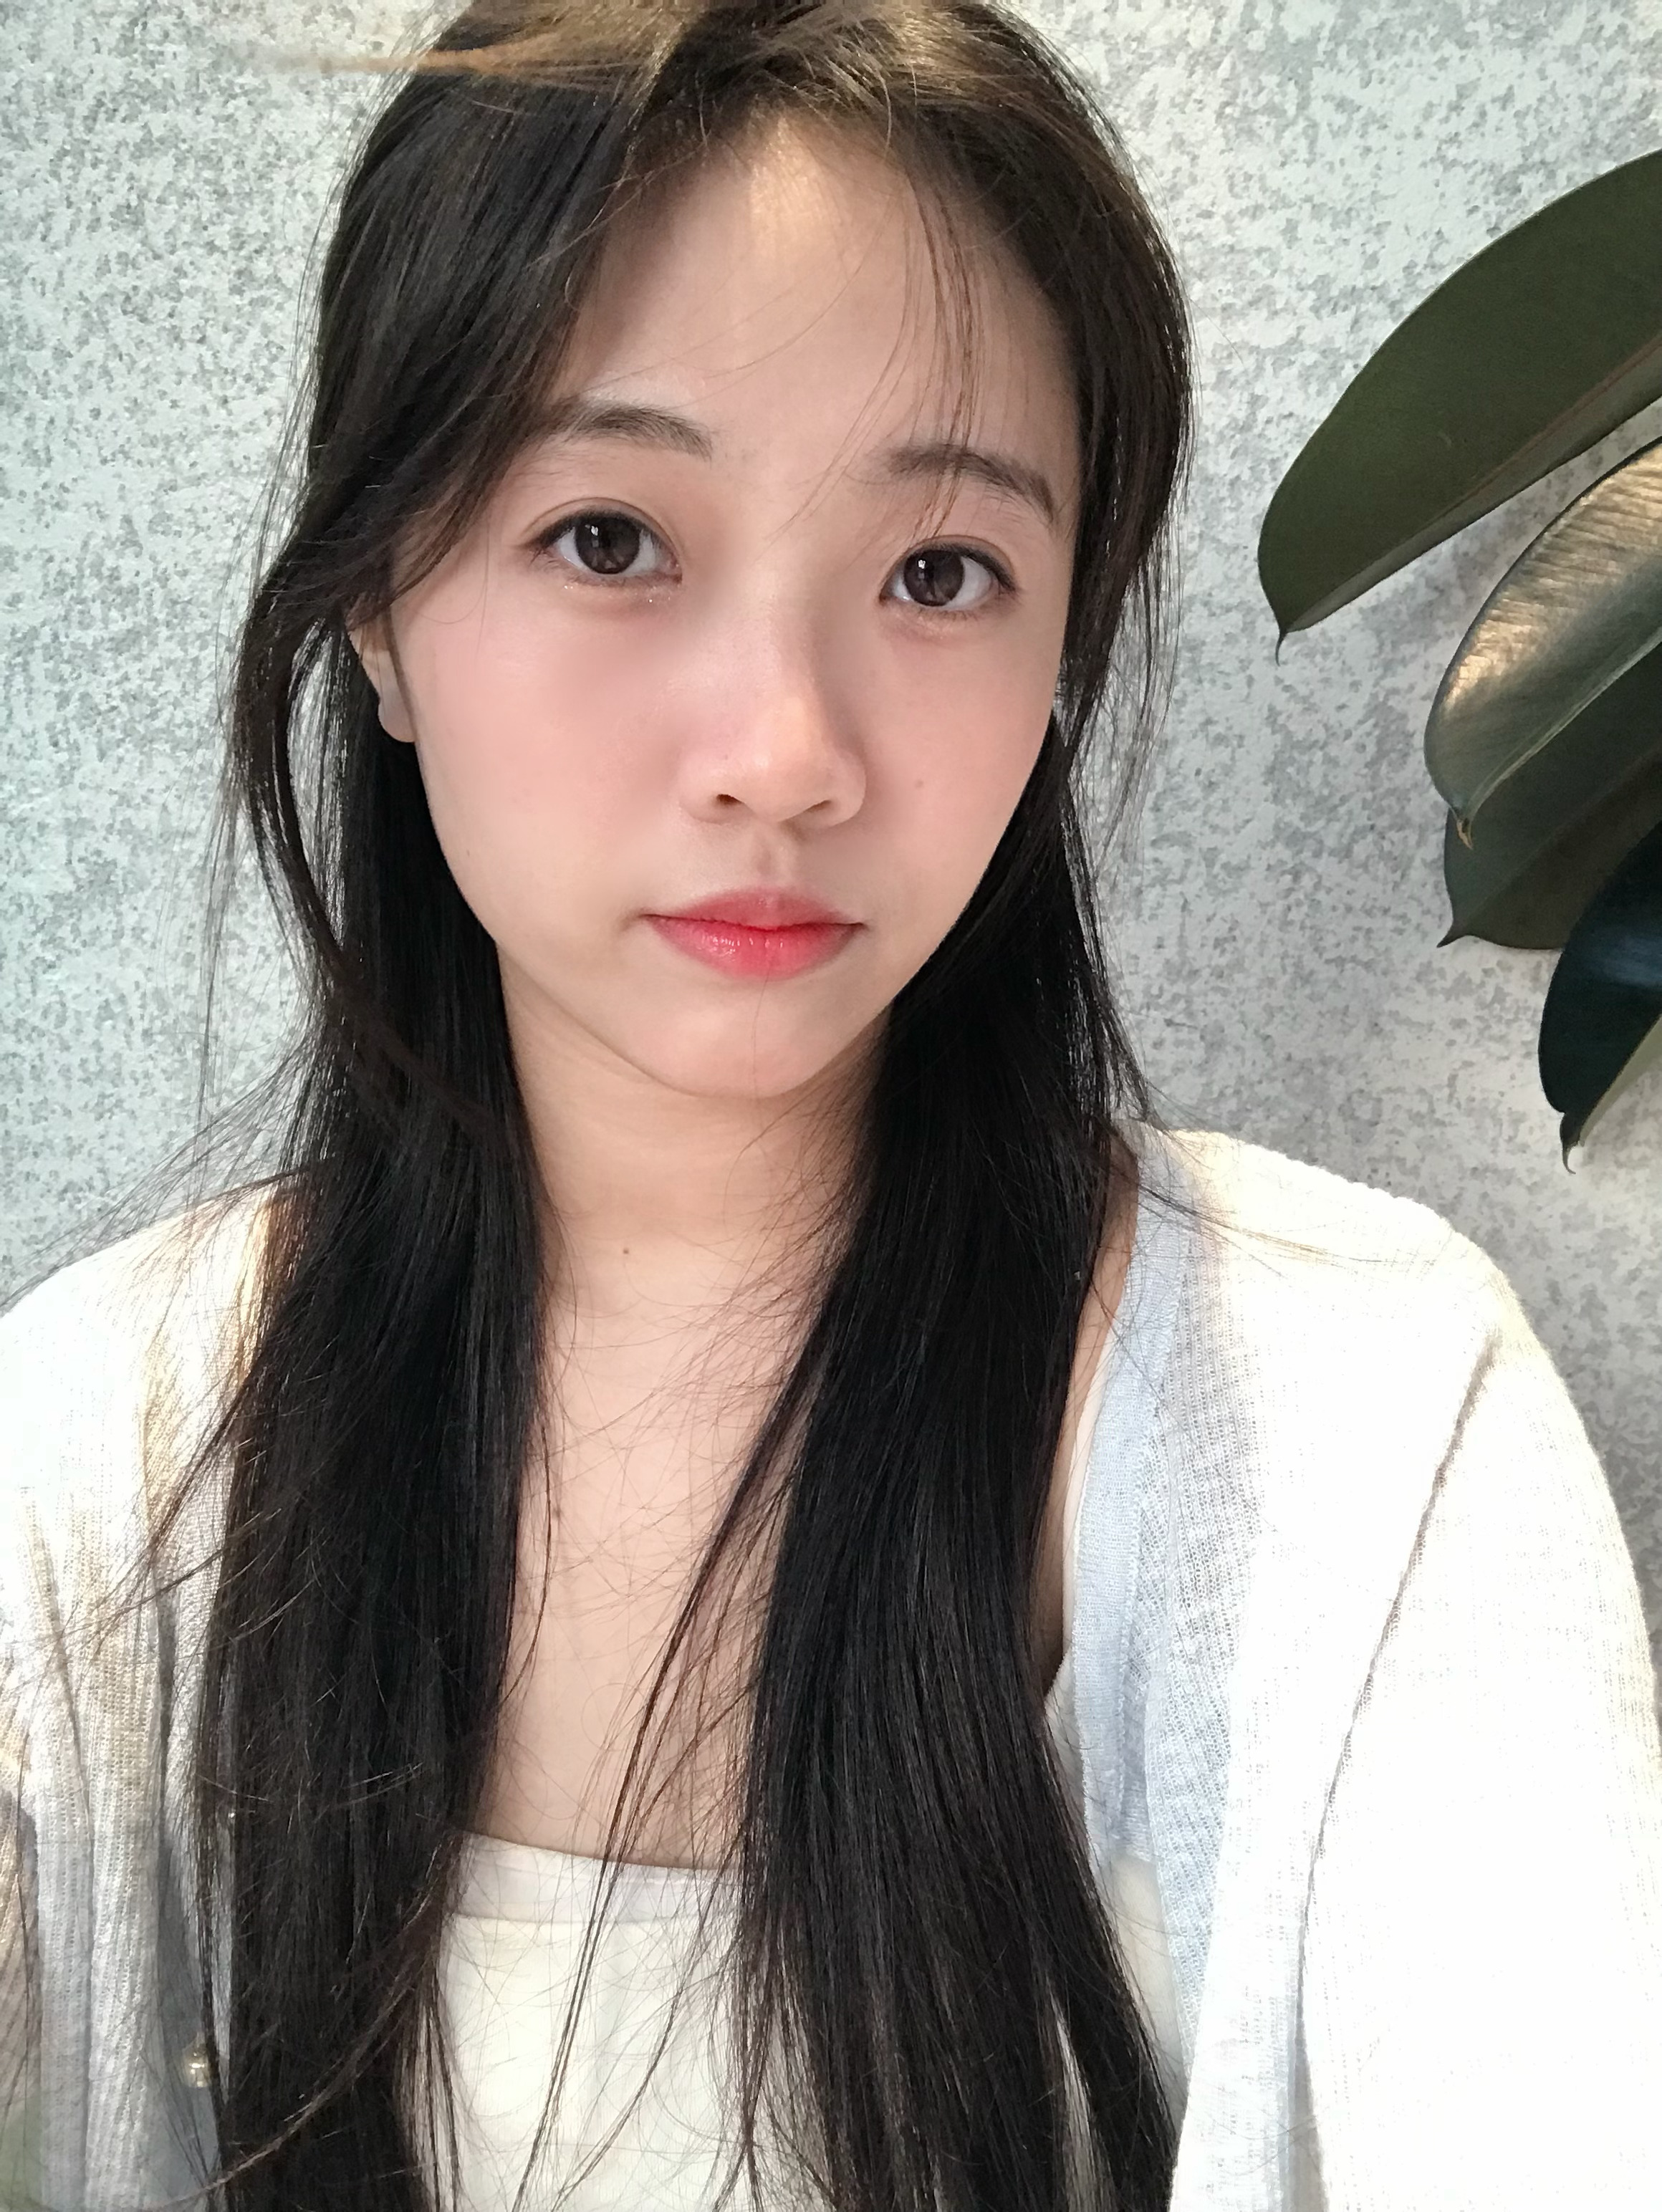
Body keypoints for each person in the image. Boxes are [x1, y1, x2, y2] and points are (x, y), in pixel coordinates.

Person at [2, 2, 1660, 2207]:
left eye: (940, 572)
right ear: (380, 608)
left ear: (1064, 649)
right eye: (610, 535)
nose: (786, 751)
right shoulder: (85, 1465)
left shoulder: (1365, 1428)